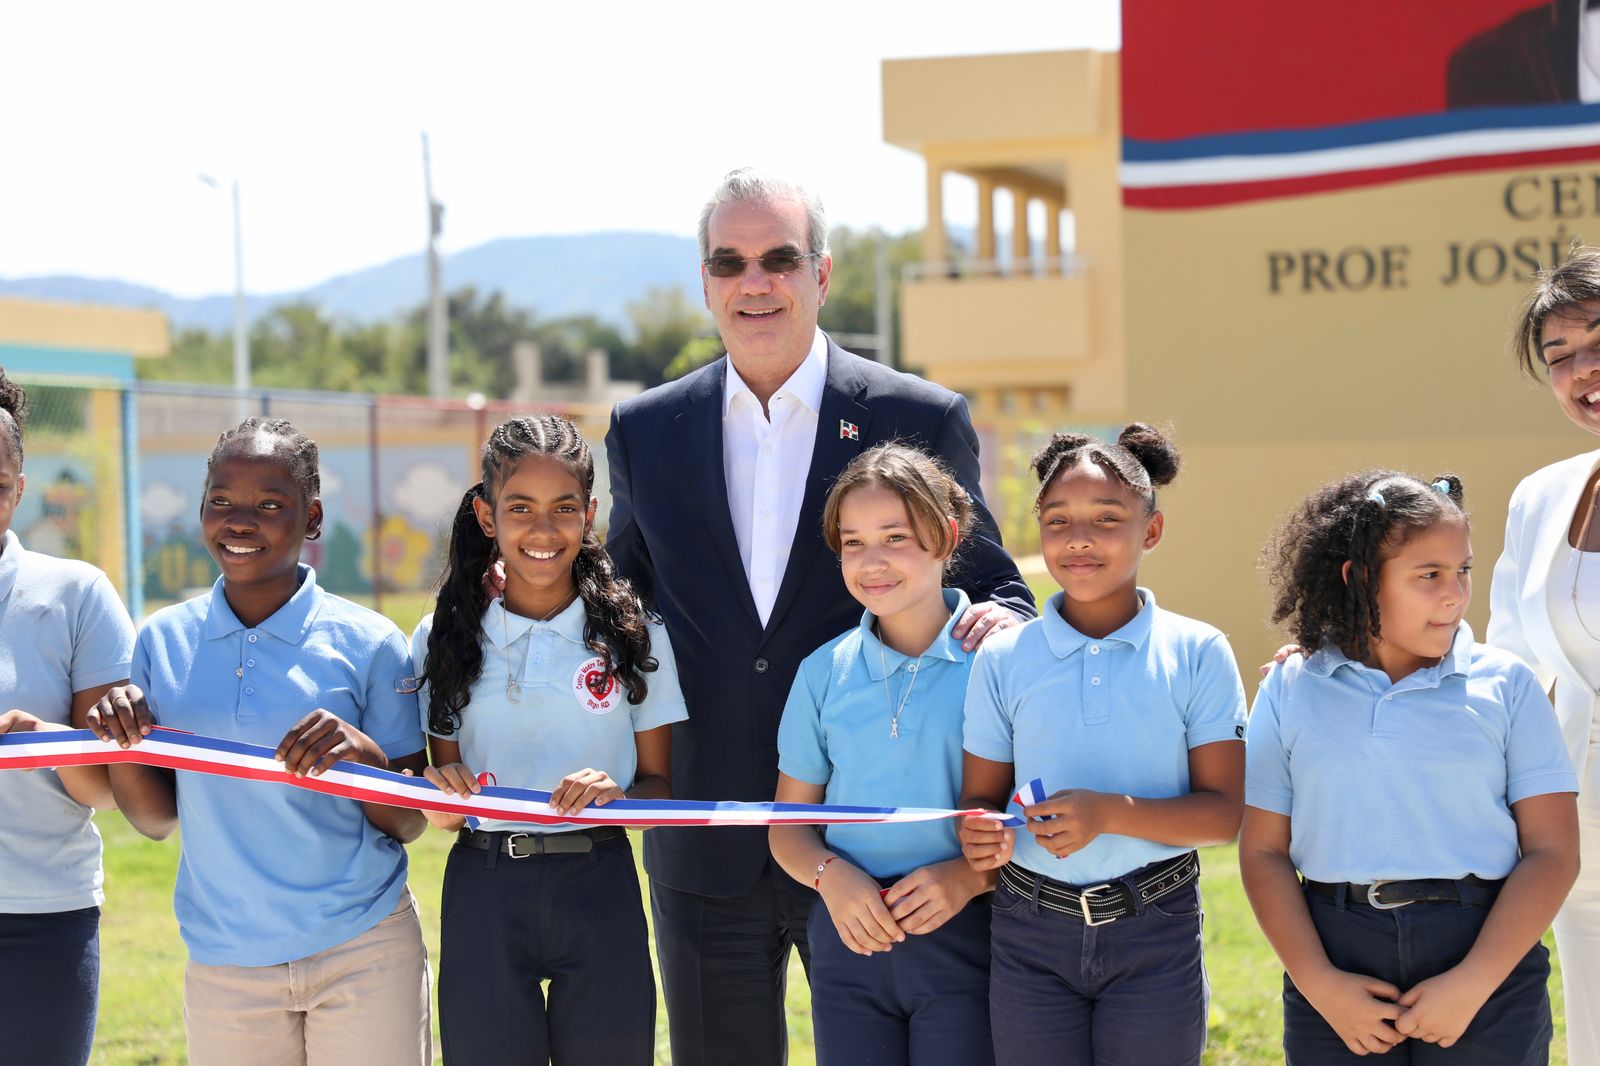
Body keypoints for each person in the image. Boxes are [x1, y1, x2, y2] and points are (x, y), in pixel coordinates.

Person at [604, 167, 1035, 1066]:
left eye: (779, 259)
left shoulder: (917, 416)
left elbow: (993, 580)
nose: (754, 282)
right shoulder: (645, 429)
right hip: (706, 831)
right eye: (730, 263)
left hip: (880, 853)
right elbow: (620, 599)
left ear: (822, 274)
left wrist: (1003, 620)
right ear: (706, 281)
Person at [85, 417, 432, 1066]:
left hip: (362, 946)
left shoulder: (370, 642)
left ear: (312, 517)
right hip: (226, 961)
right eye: (221, 501)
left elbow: (409, 822)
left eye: (270, 505)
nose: (240, 522)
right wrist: (121, 742)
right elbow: (156, 820)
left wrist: (363, 757)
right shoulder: (162, 640)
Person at [1244, 470, 1579, 1063]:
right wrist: (1320, 984)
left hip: (1487, 959)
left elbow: (1553, 852)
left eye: (1463, 570)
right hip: (1335, 957)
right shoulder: (1291, 686)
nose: (1455, 594)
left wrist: (1473, 982)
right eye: (1429, 575)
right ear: (1359, 578)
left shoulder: (1507, 685)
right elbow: (1264, 851)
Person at [958, 423, 1246, 1066]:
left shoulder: (1198, 651)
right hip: (1029, 933)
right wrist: (980, 834)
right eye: (1058, 521)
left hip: (1157, 928)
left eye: (1107, 518)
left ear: (1152, 530)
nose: (1080, 538)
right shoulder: (1003, 658)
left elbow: (1223, 815)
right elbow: (980, 801)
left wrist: (1107, 813)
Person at [409, 415, 686, 1065]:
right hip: (484, 888)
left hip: (600, 883)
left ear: (589, 515)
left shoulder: (636, 636)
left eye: (564, 508)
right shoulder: (443, 638)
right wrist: (437, 794)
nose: (543, 529)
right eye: (520, 508)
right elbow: (446, 799)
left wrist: (619, 796)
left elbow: (660, 790)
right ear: (486, 516)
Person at [770, 444, 997, 1066]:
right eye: (853, 543)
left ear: (946, 535)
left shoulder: (1000, 664)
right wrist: (831, 876)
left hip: (968, 932)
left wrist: (967, 877)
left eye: (895, 537)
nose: (872, 562)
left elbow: (1034, 816)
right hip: (850, 939)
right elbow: (787, 828)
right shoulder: (822, 673)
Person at [0, 368, 136, 1066]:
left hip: (39, 918)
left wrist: (50, 742)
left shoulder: (75, 594)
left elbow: (109, 790)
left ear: (20, 488)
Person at [1494, 246, 1600, 1066]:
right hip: (1574, 828)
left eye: (1598, 342)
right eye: (1559, 355)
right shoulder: (1542, 496)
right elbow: (1504, 666)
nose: (1580, 371)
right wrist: (1345, 653)